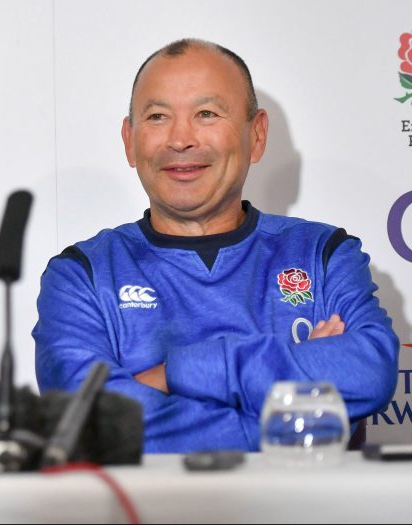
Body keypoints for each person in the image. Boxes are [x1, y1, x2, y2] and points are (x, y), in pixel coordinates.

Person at [33, 38, 399, 453]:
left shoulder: (322, 254)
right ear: (129, 140)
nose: (181, 139)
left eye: (206, 114)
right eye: (157, 116)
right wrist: (294, 409)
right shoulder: (82, 274)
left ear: (256, 135)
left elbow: (369, 372)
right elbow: (90, 420)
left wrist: (173, 374)